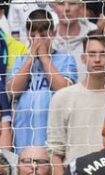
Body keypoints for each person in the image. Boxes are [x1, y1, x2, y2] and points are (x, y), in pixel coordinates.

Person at [47, 33, 105, 175]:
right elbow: (55, 152)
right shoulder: (62, 98)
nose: (97, 59)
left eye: (102, 54)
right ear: (83, 58)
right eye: (92, 54)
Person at [7, 8, 77, 151]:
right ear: (27, 35)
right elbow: (12, 91)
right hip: (23, 137)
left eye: (43, 35)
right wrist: (30, 59)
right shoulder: (21, 60)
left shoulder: (66, 59)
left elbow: (64, 90)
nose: (37, 40)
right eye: (33, 35)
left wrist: (44, 58)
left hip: (53, 138)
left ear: (53, 33)